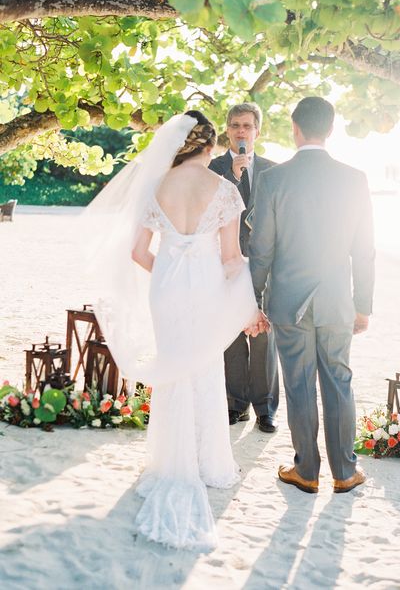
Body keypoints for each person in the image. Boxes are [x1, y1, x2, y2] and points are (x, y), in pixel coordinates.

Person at [85, 111, 266, 550]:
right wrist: (248, 307)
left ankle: (167, 462)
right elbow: (230, 261)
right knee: (204, 370)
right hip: (203, 290)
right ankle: (208, 465)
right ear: (209, 147)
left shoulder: (155, 187)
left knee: (173, 370)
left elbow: (137, 251)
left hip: (165, 293)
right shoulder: (223, 190)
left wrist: (167, 270)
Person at [248, 97, 375, 495]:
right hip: (339, 302)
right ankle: (345, 471)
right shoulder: (355, 179)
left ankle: (306, 470)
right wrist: (364, 305)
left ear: (294, 128)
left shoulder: (272, 180)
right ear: (331, 129)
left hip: (289, 304)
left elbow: (261, 250)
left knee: (300, 385)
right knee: (339, 381)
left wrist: (251, 302)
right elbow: (365, 250)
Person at [209, 103, 279, 433]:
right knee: (233, 334)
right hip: (225, 262)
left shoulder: (274, 171)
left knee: (264, 335)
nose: (241, 131)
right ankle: (235, 405)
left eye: (247, 126)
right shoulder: (213, 168)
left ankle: (265, 409)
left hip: (265, 264)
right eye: (235, 125)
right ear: (227, 130)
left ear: (257, 132)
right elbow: (209, 210)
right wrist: (232, 177)